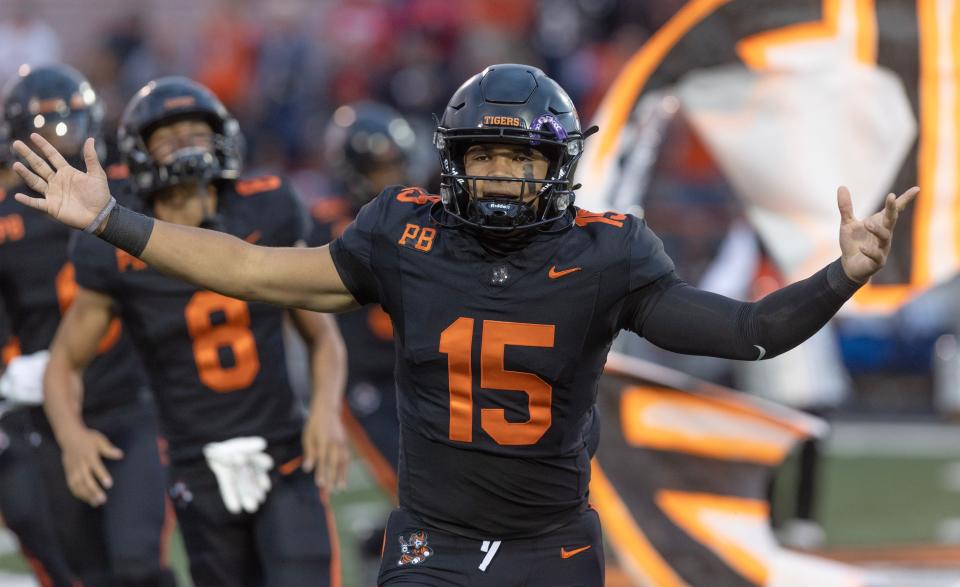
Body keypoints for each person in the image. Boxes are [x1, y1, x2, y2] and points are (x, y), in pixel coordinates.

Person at [11, 64, 917, 587]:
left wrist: (842, 275)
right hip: (431, 544)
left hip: (552, 546)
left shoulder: (610, 255)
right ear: (449, 161)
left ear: (557, 166)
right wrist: (111, 221)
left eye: (518, 158)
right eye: (481, 154)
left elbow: (751, 329)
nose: (496, 176)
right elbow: (253, 269)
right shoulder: (404, 232)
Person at [39, 77, 348, 587]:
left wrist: (325, 413)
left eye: (196, 130)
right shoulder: (114, 242)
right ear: (139, 150)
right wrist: (72, 436)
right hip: (193, 461)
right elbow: (64, 364)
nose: (185, 142)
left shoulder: (266, 207)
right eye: (168, 134)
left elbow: (323, 338)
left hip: (285, 450)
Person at [0, 64, 172, 587]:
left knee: (138, 565)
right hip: (41, 413)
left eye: (67, 127)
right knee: (77, 569)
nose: (59, 142)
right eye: (43, 129)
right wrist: (10, 367)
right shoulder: (9, 216)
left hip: (128, 396)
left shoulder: (132, 194)